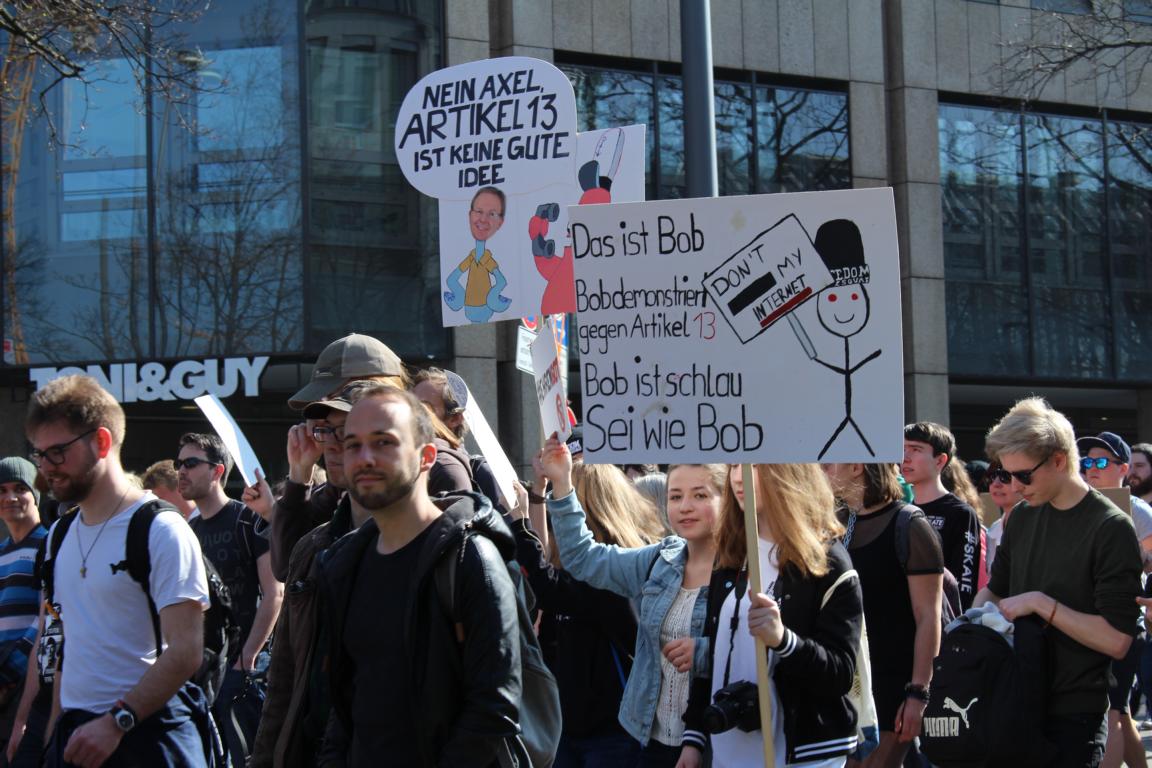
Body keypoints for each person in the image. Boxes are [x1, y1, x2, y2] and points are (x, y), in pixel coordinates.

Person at [317, 384, 522, 766]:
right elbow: (344, 700)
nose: (365, 458)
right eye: (352, 445)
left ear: (426, 456)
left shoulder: (470, 559)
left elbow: (493, 708)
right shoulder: (342, 563)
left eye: (383, 442)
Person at [26, 374, 211, 766]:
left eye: (56, 452)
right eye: (38, 454)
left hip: (149, 735)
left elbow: (186, 651)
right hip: (76, 736)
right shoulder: (58, 534)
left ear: (102, 442)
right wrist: (53, 734)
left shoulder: (160, 528)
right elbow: (68, 644)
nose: (45, 469)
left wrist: (116, 722)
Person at [976, 397, 1142, 768]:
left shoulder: (1110, 527)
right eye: (1005, 475)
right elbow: (995, 589)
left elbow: (1117, 640)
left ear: (1059, 460)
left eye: (1023, 475)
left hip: (1073, 713)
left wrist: (1041, 604)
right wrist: (967, 629)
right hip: (1010, 700)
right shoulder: (1019, 518)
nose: (1015, 487)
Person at [538, 440, 724, 767]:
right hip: (649, 741)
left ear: (728, 501)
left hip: (716, 740)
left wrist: (705, 651)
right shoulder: (661, 558)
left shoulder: (745, 570)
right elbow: (584, 558)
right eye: (676, 497)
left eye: (700, 495)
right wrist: (562, 482)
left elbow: (762, 652)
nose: (686, 506)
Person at [677, 464, 863, 768]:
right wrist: (694, 737)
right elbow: (714, 654)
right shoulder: (732, 556)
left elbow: (840, 673)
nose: (738, 476)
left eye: (753, 464)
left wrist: (783, 640)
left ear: (788, 472)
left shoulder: (825, 562)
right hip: (728, 751)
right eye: (734, 464)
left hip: (801, 754)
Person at [507, 463, 663, 767]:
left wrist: (520, 522)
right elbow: (545, 570)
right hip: (569, 724)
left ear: (584, 507)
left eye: (563, 496)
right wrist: (537, 495)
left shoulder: (617, 566)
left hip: (611, 731)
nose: (555, 513)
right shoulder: (579, 564)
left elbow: (548, 586)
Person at [250, 383, 372, 768]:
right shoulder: (316, 543)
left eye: (347, 431)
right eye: (327, 431)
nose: (333, 444)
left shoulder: (440, 546)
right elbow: (284, 679)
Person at [822, 462, 944, 768]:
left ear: (855, 467)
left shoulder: (910, 524)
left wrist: (918, 693)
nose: (820, 471)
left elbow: (928, 617)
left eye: (827, 463)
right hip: (845, 686)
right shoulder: (834, 524)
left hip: (892, 688)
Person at [177, 432, 282, 765]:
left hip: (243, 670)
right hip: (205, 673)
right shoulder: (189, 530)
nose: (181, 471)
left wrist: (247, 658)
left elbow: (275, 592)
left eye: (191, 463)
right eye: (178, 463)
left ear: (218, 471)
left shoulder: (246, 517)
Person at [1074, 432, 1151, 768]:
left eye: (1101, 461)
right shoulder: (1076, 505)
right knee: (1119, 711)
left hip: (1123, 618)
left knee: (1113, 709)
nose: (1092, 468)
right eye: (1087, 461)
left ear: (1122, 469)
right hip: (1084, 619)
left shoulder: (1138, 511)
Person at [902, 422, 982, 609]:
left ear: (940, 460)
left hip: (945, 622)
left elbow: (964, 583)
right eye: (903, 449)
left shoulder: (961, 513)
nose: (905, 457)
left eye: (915, 449)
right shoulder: (903, 512)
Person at [0, 458, 47, 757]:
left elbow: (48, 618)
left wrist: (8, 675)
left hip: (30, 687)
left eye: (20, 488)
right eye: (2, 490)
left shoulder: (51, 542)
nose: (10, 497)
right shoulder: (1, 551)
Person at [443, 186, 512, 323]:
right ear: (470, 215)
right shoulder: (472, 255)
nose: (483, 219)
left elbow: (502, 281)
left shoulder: (487, 258)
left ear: (500, 223)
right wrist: (459, 297)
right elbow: (451, 279)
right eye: (479, 211)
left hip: (485, 309)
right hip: (469, 310)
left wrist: (492, 298)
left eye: (492, 214)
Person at [984, 459, 1023, 575]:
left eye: (1005, 476)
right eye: (992, 476)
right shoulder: (993, 529)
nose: (996, 484)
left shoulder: (1037, 526)